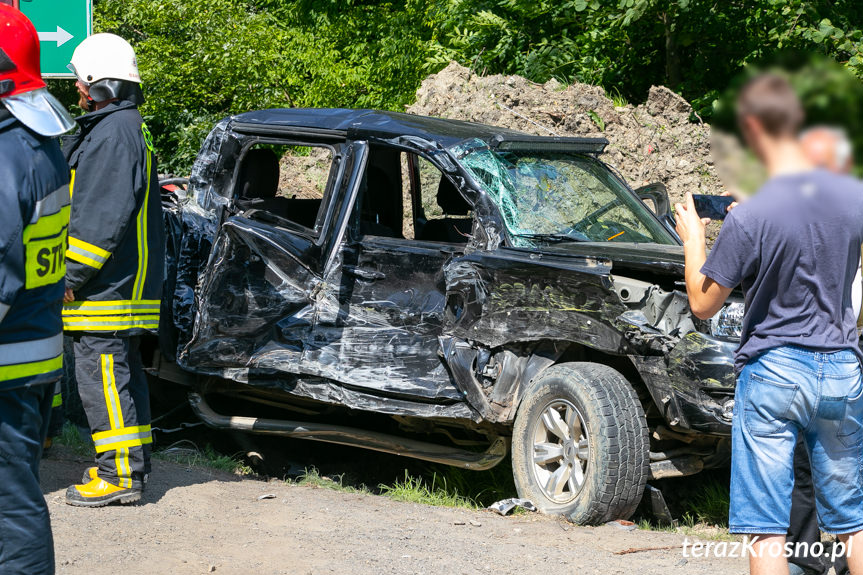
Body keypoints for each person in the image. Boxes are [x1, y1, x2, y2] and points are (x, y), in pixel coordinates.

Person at [675, 74, 863, 574]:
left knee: (766, 526)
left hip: (775, 372)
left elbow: (702, 304)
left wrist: (694, 239)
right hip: (843, 368)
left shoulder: (749, 216)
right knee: (852, 521)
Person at [62, 33, 165, 507]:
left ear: (97, 85)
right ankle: (133, 459)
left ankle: (119, 475)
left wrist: (69, 277)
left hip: (107, 287)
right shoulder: (127, 127)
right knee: (122, 374)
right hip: (128, 282)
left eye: (81, 85)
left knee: (101, 373)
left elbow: (99, 217)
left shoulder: (110, 135)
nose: (77, 93)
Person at [0, 5, 75, 572]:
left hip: (6, 358)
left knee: (9, 504)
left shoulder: (5, 153)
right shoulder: (37, 143)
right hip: (32, 349)